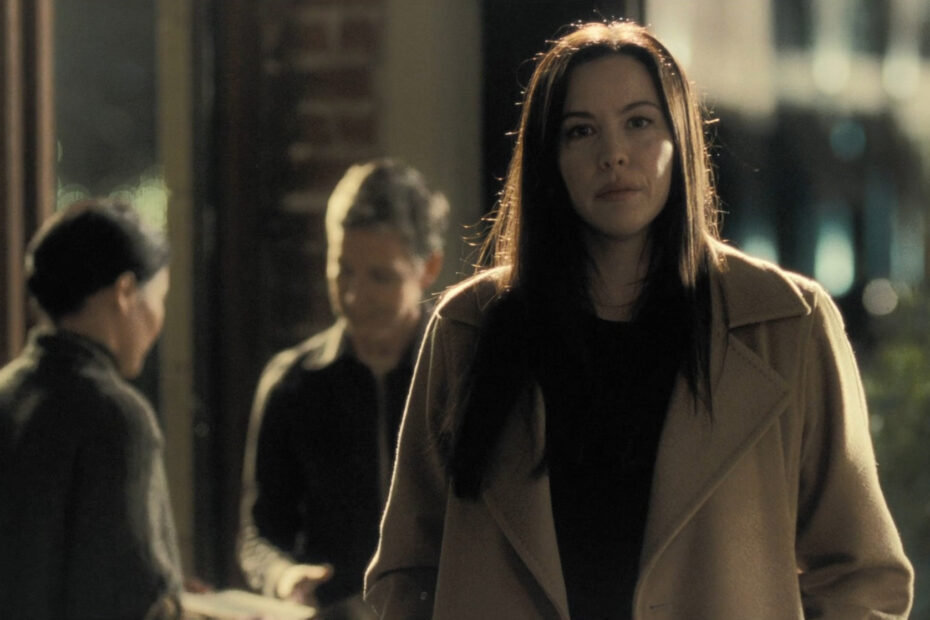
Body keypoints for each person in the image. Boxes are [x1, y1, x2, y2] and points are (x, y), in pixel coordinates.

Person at [364, 21, 913, 619]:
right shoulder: (470, 328)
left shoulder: (785, 323)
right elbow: (407, 570)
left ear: (679, 139)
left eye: (639, 122)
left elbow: (863, 576)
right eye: (581, 131)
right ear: (550, 158)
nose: (614, 154)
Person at [238, 159, 448, 618]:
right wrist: (285, 577)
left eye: (380, 276)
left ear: (428, 267)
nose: (354, 295)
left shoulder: (458, 373)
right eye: (342, 271)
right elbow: (259, 535)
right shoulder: (293, 383)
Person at [0, 198, 181, 619]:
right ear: (126, 292)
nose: (159, 319)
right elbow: (133, 600)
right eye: (161, 298)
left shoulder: (6, 392)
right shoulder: (116, 415)